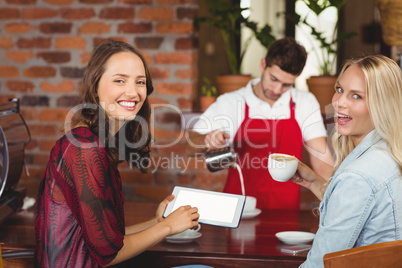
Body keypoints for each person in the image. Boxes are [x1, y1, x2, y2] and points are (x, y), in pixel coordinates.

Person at [34, 40, 203, 267]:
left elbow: (107, 241)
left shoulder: (99, 144)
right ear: (95, 86)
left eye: (140, 82)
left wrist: (156, 221)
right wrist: (168, 226)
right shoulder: (84, 148)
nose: (133, 92)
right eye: (119, 80)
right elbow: (108, 255)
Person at [188, 37, 333, 209]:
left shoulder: (305, 102)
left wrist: (333, 196)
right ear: (263, 65)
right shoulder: (231, 101)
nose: (277, 89)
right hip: (238, 207)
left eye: (286, 84)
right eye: (273, 79)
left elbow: (321, 158)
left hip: (286, 209)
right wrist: (207, 139)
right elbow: (190, 145)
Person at [292, 54, 402, 267]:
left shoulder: (357, 176)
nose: (339, 102)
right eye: (340, 90)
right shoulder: (391, 152)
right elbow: (366, 207)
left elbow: (320, 264)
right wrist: (315, 183)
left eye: (357, 96)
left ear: (383, 105)